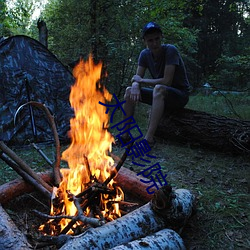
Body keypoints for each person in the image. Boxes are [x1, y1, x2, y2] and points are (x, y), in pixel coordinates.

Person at [121, 21, 191, 147]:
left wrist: (140, 81)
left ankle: (148, 139)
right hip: (161, 94)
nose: (154, 43)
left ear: (161, 37)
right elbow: (137, 78)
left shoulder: (170, 50)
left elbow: (166, 81)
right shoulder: (144, 54)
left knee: (158, 88)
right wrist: (136, 85)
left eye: (157, 39)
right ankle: (125, 136)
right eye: (150, 40)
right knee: (128, 91)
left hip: (179, 95)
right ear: (145, 41)